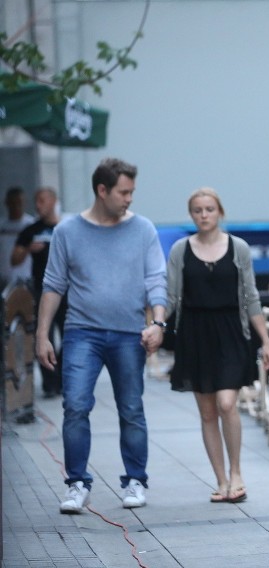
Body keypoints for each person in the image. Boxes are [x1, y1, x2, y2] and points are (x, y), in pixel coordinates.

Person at [36, 158, 167, 514]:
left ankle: (136, 479)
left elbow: (156, 279)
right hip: (82, 333)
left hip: (129, 334)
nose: (129, 199)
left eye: (132, 192)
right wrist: (42, 335)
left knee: (131, 408)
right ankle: (77, 483)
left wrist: (158, 322)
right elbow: (53, 285)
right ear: (102, 190)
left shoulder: (143, 229)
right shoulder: (67, 231)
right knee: (75, 406)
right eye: (124, 192)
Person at [165, 188, 269, 503]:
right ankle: (221, 479)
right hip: (195, 335)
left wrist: (265, 341)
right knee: (208, 412)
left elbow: (251, 296)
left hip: (231, 332)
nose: (204, 215)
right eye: (198, 210)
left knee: (227, 403)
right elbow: (171, 296)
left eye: (209, 209)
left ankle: (237, 472)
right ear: (192, 214)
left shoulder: (237, 247)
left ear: (220, 212)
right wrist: (156, 325)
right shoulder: (180, 250)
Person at [12, 187, 64, 398]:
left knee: (71, 335)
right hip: (42, 290)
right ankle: (50, 383)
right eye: (36, 201)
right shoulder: (31, 231)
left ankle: (62, 377)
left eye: (42, 200)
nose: (38, 205)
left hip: (68, 291)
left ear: (53, 201)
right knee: (44, 335)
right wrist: (27, 250)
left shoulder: (66, 228)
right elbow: (13, 259)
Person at [0, 186, 34, 286]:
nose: (16, 206)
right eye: (12, 203)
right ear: (6, 203)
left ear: (25, 203)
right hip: (4, 277)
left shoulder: (31, 225)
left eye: (19, 203)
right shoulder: (2, 225)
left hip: (26, 277)